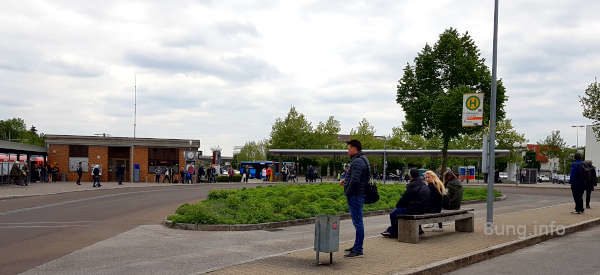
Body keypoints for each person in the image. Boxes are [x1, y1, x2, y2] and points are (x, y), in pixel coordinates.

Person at [381, 168, 431, 238]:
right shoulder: (423, 184)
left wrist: (398, 206)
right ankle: (419, 229)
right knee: (401, 210)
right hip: (423, 209)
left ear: (411, 175)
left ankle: (394, 232)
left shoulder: (412, 185)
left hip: (414, 209)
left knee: (393, 213)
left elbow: (405, 199)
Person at [341, 139, 370, 258]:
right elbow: (355, 178)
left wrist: (347, 191)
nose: (347, 151)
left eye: (348, 148)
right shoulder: (363, 159)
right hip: (358, 194)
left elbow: (355, 180)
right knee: (358, 222)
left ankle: (358, 249)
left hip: (355, 195)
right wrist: (346, 181)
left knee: (358, 222)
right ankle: (357, 246)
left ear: (354, 148)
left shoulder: (357, 161)